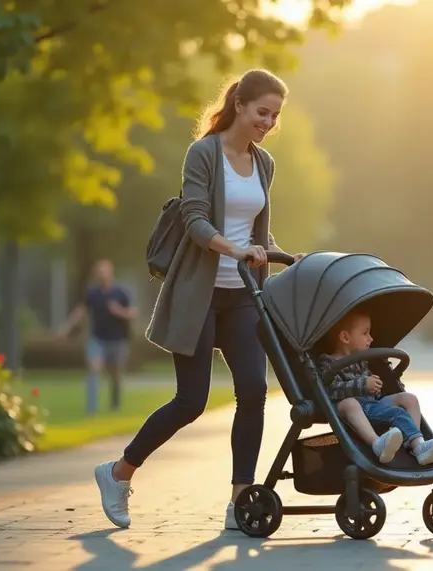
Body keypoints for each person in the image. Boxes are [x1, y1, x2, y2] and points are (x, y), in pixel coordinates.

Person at [92, 69, 305, 531]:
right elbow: (195, 219)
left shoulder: (263, 163)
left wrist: (284, 255)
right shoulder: (203, 153)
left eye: (275, 116)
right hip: (200, 292)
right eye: (262, 112)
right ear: (240, 105)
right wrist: (235, 250)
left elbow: (256, 230)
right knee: (191, 400)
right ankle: (118, 473)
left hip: (245, 295)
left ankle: (239, 500)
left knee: (253, 391)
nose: (268, 122)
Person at [315, 310, 433, 465]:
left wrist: (375, 386)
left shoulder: (362, 360)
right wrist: (364, 385)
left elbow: (373, 394)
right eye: (365, 333)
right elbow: (331, 391)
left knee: (409, 399)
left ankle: (417, 445)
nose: (371, 338)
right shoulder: (328, 362)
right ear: (345, 337)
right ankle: (377, 444)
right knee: (350, 404)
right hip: (351, 411)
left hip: (372, 406)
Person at [57, 259, 137, 414]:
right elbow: (80, 311)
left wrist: (119, 311)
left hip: (118, 340)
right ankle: (91, 408)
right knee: (93, 369)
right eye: (98, 272)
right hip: (97, 339)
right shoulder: (92, 293)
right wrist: (66, 329)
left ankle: (115, 403)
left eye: (104, 271)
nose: (101, 275)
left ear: (111, 273)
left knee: (115, 374)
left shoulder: (121, 292)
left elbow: (133, 313)